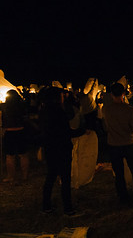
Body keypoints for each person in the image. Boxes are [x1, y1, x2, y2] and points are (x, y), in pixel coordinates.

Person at [38, 87, 88, 215]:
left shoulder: (43, 110)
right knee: (65, 178)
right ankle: (68, 208)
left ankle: (46, 206)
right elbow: (65, 132)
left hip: (50, 147)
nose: (63, 97)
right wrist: (82, 131)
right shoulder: (59, 112)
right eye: (61, 95)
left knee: (51, 176)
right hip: (62, 148)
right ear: (56, 97)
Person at [102, 83, 133, 205]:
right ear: (123, 94)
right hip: (128, 143)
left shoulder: (106, 109)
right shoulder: (129, 110)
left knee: (119, 173)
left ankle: (123, 196)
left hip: (113, 144)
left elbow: (105, 127)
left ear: (111, 94)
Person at [1, 89, 30, 182]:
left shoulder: (4, 106)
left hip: (9, 132)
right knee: (23, 155)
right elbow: (26, 118)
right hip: (21, 131)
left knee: (10, 156)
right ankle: (25, 176)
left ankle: (11, 176)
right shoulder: (22, 106)